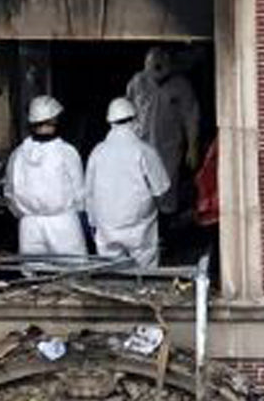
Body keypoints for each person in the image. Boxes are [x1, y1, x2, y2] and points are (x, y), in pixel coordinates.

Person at [85, 97, 170, 268]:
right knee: (146, 273)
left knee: (112, 273)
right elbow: (161, 189)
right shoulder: (144, 150)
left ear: (110, 122)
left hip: (107, 227)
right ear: (134, 119)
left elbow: (88, 193)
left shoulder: (97, 152)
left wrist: (94, 222)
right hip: (140, 227)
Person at [4, 95, 86, 261]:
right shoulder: (66, 152)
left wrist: (25, 214)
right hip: (63, 224)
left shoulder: (18, 154)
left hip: (29, 227)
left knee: (34, 280)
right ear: (55, 119)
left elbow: (9, 193)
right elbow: (80, 193)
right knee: (73, 275)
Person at [126, 47, 200, 213]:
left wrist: (192, 147)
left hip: (169, 147)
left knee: (167, 187)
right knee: (141, 187)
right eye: (153, 65)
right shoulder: (138, 82)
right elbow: (127, 112)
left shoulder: (181, 86)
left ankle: (166, 226)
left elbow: (191, 117)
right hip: (141, 145)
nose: (157, 70)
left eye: (160, 65)